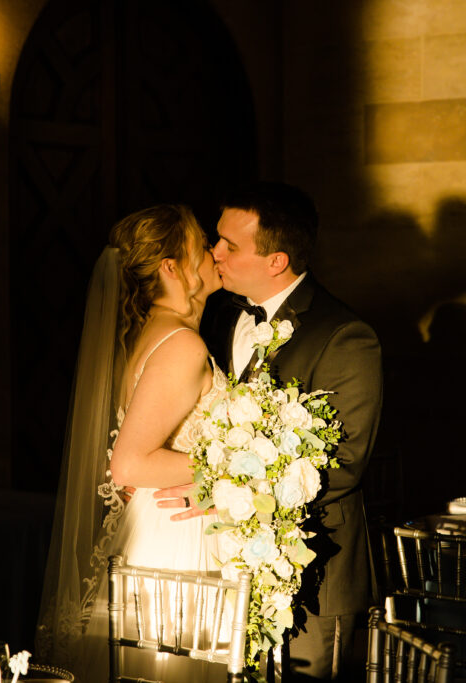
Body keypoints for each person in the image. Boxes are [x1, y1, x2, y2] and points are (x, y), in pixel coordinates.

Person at [161, 181, 384, 680]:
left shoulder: (345, 337)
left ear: (276, 261)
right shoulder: (215, 315)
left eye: (228, 245)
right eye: (216, 240)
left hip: (310, 572)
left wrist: (227, 490)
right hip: (218, 563)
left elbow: (342, 465)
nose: (212, 252)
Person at [35, 204, 227, 681]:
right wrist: (233, 474)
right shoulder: (182, 344)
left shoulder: (154, 334)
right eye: (202, 245)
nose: (213, 253)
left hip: (162, 522)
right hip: (176, 536)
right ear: (172, 266)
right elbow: (130, 464)